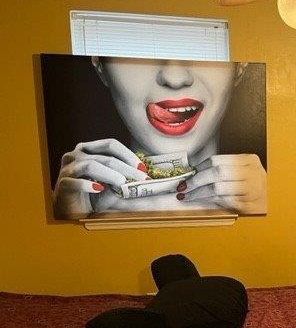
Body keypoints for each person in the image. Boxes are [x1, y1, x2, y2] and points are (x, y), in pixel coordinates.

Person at [53, 57, 266, 219]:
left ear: (240, 66)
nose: (175, 78)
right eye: (138, 49)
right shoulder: (75, 203)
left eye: (199, 47)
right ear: (100, 65)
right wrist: (68, 220)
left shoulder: (270, 197)